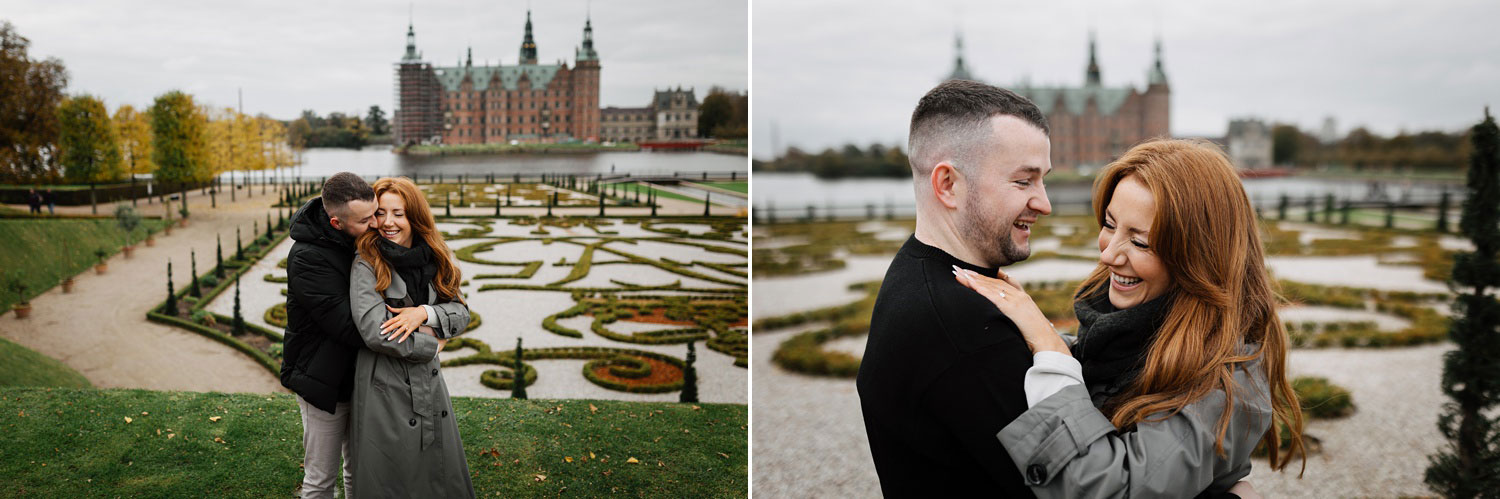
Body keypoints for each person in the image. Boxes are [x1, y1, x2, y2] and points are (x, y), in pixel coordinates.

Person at [954, 139, 1304, 498]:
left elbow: (1110, 488)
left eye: (1140, 243)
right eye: (1109, 224)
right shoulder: (1126, 329)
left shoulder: (1225, 382)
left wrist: (1050, 350)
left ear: (1199, 257)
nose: (1109, 255)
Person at [856, 79, 1053, 496]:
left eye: (1043, 180)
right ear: (947, 184)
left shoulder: (914, 270)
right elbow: (1071, 487)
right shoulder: (963, 325)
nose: (1044, 203)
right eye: (1024, 181)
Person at [347, 176, 475, 497]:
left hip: (429, 384)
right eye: (380, 213)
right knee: (391, 476)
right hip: (384, 386)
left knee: (437, 476)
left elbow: (461, 312)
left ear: (414, 216)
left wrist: (424, 313)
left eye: (398, 213)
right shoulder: (367, 262)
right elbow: (376, 333)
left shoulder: (434, 257)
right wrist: (433, 344)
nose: (388, 222)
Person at [281, 172, 380, 498]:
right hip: (322, 380)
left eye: (375, 213)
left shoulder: (358, 238)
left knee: (359, 471)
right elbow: (351, 328)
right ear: (336, 223)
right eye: (366, 220)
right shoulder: (308, 258)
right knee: (321, 480)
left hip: (359, 378)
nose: (376, 224)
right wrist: (417, 337)